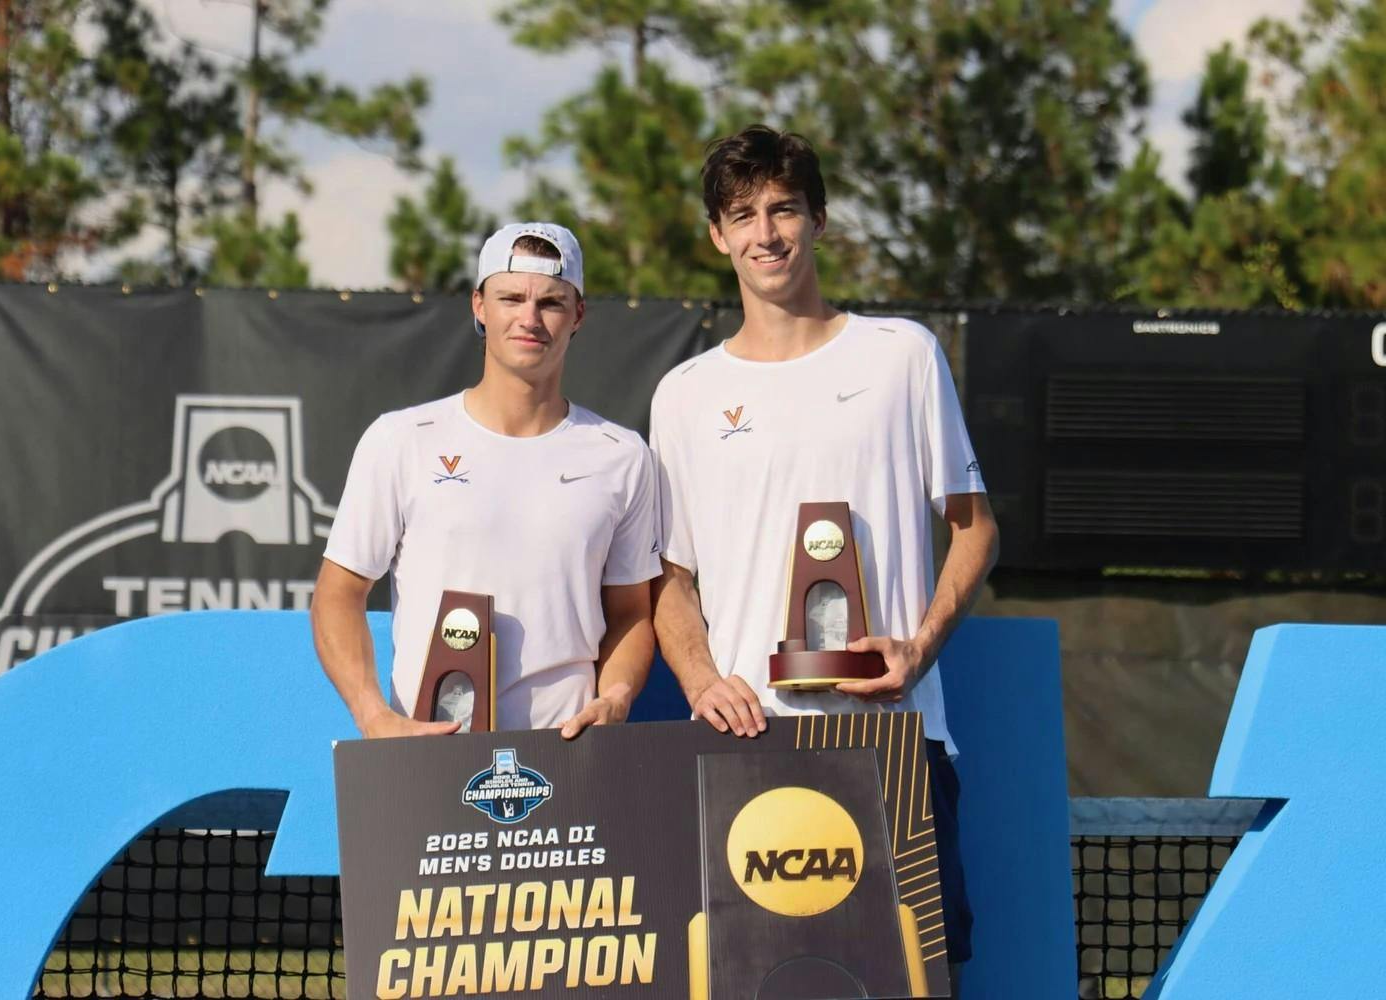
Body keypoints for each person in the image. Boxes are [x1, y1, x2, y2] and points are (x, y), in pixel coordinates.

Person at [649, 126, 998, 980]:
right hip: (749, 744)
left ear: (820, 220)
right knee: (760, 984)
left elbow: (976, 527)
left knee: (919, 976)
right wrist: (702, 681)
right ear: (717, 236)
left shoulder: (901, 355)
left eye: (784, 209)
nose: (766, 233)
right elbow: (669, 577)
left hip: (895, 741)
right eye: (743, 215)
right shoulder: (686, 394)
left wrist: (916, 648)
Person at [313, 222, 660, 741]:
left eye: (551, 302)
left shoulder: (622, 454)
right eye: (511, 298)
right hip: (430, 754)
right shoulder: (401, 439)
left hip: (566, 755)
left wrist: (614, 698)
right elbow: (337, 595)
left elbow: (632, 613)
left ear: (578, 315)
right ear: (479, 306)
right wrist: (375, 717)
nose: (529, 319)